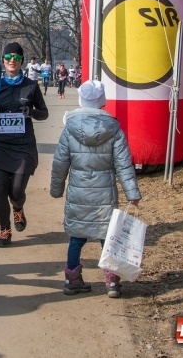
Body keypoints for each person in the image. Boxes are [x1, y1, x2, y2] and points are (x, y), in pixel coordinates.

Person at [50, 80, 141, 299]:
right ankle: (111, 281)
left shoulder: (69, 129)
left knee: (76, 238)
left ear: (81, 99)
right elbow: (123, 164)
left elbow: (60, 162)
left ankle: (72, 280)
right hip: (104, 195)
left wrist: (56, 188)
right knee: (107, 238)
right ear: (102, 101)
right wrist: (132, 193)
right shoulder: (114, 130)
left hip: (78, 195)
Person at [0, 42, 48, 247]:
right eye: (8, 57)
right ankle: (4, 230)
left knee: (16, 191)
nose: (11, 61)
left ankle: (18, 208)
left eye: (16, 58)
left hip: (23, 146)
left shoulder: (31, 86)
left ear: (22, 61)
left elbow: (44, 113)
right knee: (0, 191)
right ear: (3, 60)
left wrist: (31, 112)